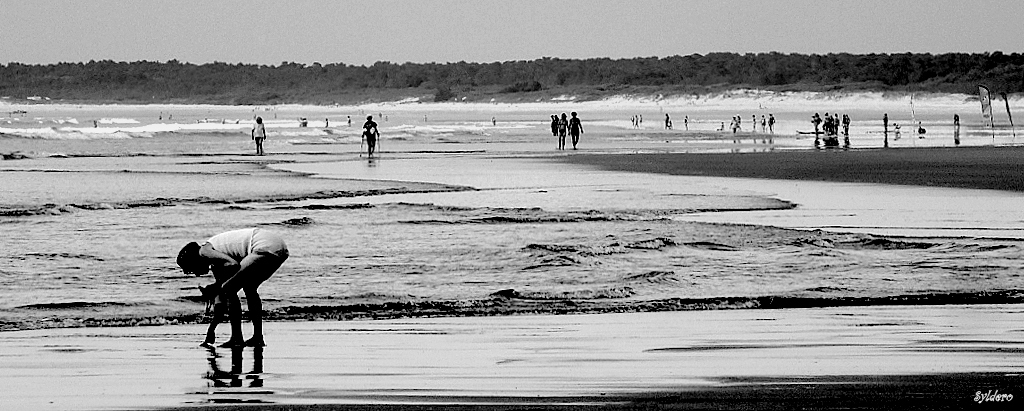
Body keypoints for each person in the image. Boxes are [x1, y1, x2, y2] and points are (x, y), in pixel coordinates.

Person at [177, 228, 289, 348]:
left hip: (263, 246)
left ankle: (237, 338)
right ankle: (257, 338)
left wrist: (216, 287)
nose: (197, 274)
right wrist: (211, 329)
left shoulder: (204, 251)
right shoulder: (216, 263)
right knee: (249, 288)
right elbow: (220, 302)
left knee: (229, 289)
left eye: (192, 269)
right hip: (278, 247)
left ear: (194, 260)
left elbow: (233, 264)